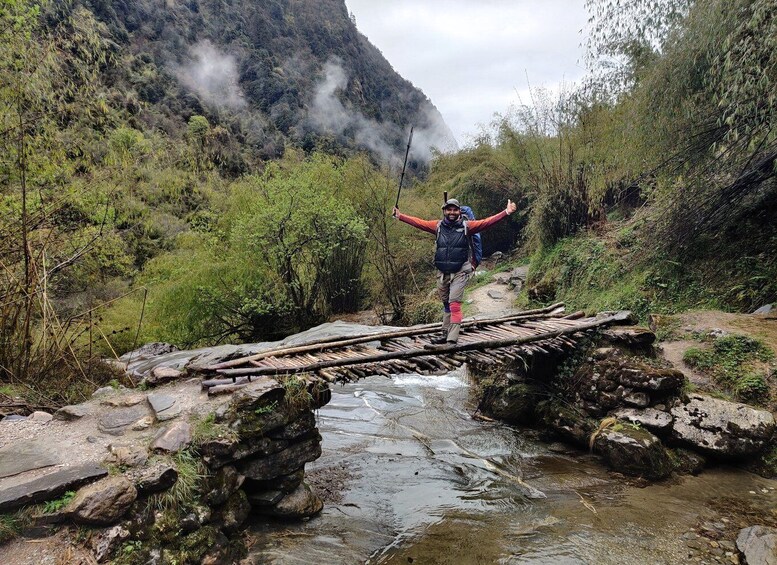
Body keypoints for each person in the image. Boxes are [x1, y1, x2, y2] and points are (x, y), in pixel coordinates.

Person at [393, 197, 517, 346]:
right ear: (444, 211)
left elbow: (487, 223)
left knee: (454, 304)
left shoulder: (467, 226)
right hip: (442, 272)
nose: (452, 212)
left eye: (455, 210)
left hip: (460, 271)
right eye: (449, 209)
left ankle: (452, 339)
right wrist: (400, 216)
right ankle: (445, 334)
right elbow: (419, 223)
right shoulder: (437, 226)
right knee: (446, 304)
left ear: (459, 211)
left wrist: (506, 212)